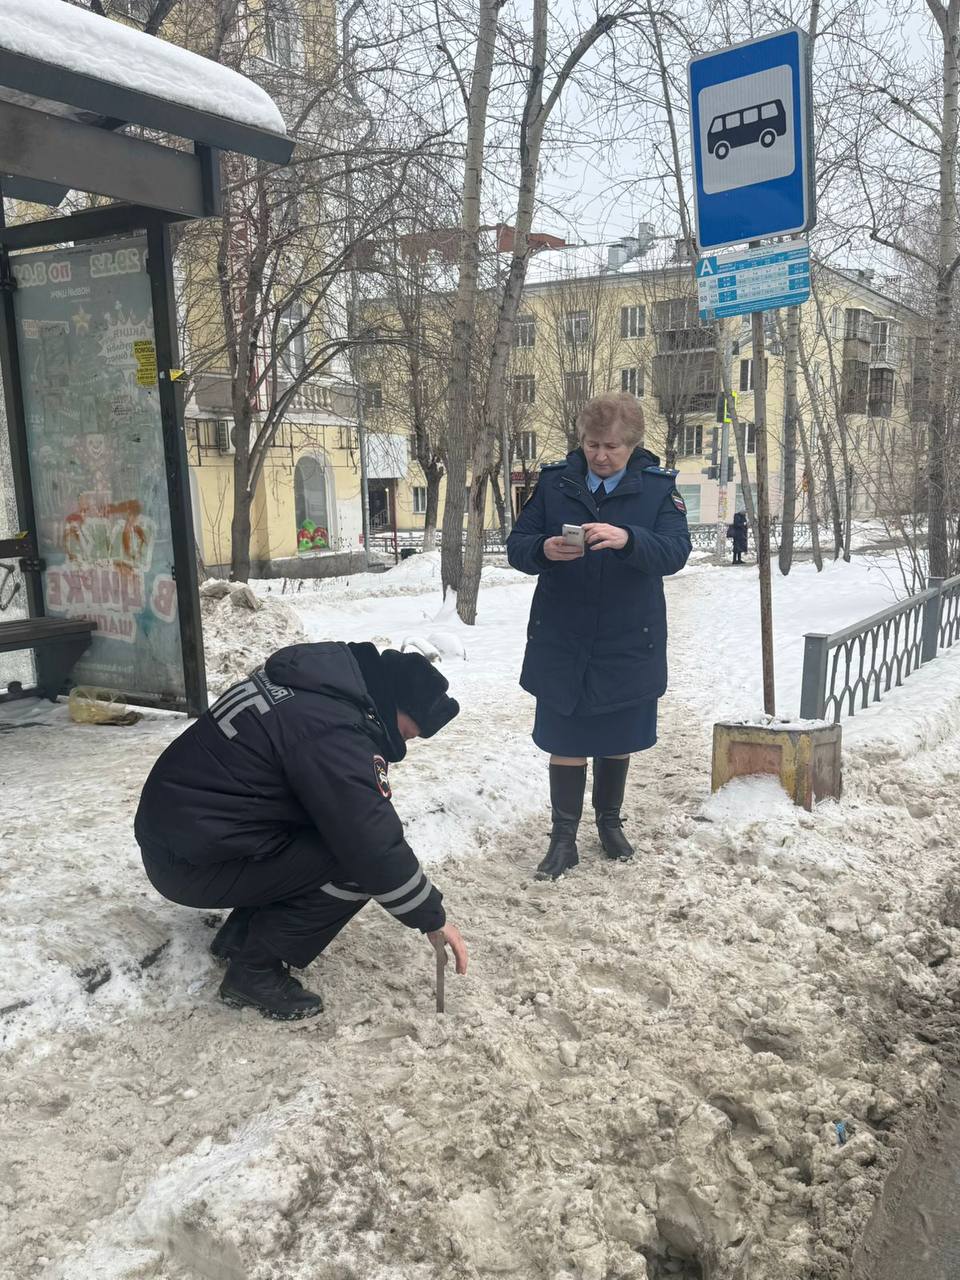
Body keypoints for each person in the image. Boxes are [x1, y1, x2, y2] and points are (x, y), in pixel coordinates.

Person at [134, 642, 468, 1020]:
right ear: (397, 707)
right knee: (353, 863)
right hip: (189, 865)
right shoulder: (330, 730)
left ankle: (241, 938)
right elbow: (371, 844)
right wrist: (432, 918)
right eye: (410, 734)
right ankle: (254, 972)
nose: (405, 746)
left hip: (183, 843)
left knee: (323, 822)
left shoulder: (311, 688)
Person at [506, 391, 691, 881]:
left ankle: (610, 824)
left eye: (611, 446)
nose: (600, 455)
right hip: (562, 635)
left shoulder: (657, 489)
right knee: (565, 734)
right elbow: (517, 547)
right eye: (592, 445)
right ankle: (563, 840)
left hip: (628, 638)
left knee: (616, 735)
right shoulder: (554, 483)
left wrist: (629, 539)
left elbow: (676, 551)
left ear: (632, 445)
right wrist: (544, 549)